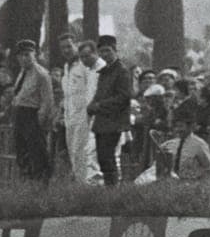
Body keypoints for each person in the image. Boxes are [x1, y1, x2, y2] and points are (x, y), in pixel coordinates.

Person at [87, 34, 132, 186]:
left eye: (108, 51)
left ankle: (113, 190)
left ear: (115, 50)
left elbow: (124, 97)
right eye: (102, 52)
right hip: (102, 121)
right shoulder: (105, 71)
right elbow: (100, 93)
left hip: (114, 121)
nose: (105, 54)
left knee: (108, 157)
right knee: (102, 157)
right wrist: (92, 104)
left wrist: (100, 106)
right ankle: (110, 188)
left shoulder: (122, 71)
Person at [61, 35, 103, 183]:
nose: (66, 50)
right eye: (63, 48)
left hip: (85, 119)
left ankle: (89, 187)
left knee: (85, 155)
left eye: (69, 46)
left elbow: (92, 91)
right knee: (74, 155)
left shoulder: (85, 65)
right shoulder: (67, 67)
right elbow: (68, 96)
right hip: (70, 119)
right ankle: (81, 187)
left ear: (76, 45)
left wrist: (89, 114)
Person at [10, 39, 53, 180]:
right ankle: (26, 179)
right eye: (21, 55)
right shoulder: (22, 72)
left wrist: (39, 123)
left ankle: (41, 182)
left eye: (28, 54)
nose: (24, 58)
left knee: (37, 152)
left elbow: (47, 101)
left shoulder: (42, 74)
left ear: (35, 54)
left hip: (32, 115)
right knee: (21, 150)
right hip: (20, 114)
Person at [164, 102, 210, 180]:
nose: (177, 130)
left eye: (181, 126)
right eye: (176, 126)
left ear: (190, 127)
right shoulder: (171, 144)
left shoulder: (199, 144)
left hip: (192, 184)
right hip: (173, 185)